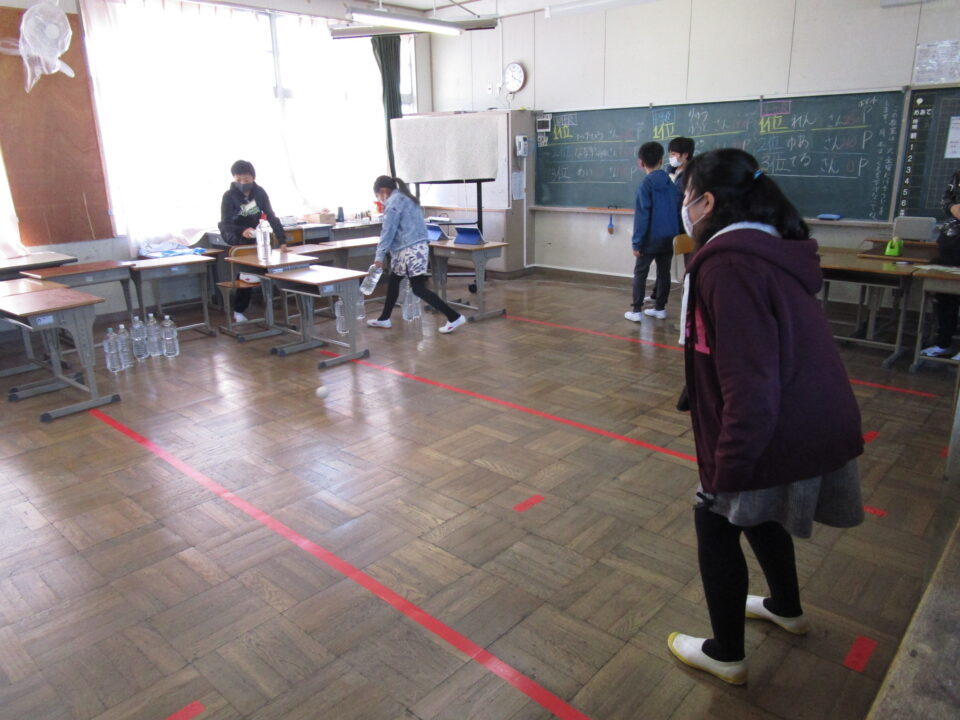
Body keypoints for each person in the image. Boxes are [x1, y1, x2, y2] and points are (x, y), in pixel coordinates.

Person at [668, 148, 865, 686]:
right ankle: (786, 607)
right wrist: (696, 388)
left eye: (687, 195)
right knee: (756, 512)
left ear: (708, 202)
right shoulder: (764, 248)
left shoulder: (728, 264)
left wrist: (728, 469)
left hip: (781, 421)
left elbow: (752, 384)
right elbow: (743, 345)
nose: (684, 206)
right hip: (808, 411)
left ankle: (726, 653)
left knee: (716, 517)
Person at [366, 176, 466, 334]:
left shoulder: (393, 204)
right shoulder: (407, 198)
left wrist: (379, 257)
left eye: (378, 195)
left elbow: (387, 232)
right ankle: (384, 318)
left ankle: (454, 317)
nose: (379, 199)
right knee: (394, 281)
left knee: (418, 288)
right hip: (414, 247)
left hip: (409, 250)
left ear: (383, 191)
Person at [218, 159, 287, 324]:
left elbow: (271, 215)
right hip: (235, 234)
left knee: (260, 268)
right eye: (238, 179)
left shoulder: (260, 193)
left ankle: (269, 307)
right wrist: (242, 231)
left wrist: (282, 240)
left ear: (253, 178)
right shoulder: (229, 196)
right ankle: (239, 310)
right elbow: (225, 223)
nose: (242, 183)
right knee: (245, 270)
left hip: (255, 233)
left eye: (246, 179)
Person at [624, 142, 681, 323]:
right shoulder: (671, 184)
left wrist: (637, 243)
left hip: (649, 239)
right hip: (669, 237)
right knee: (664, 273)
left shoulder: (645, 185)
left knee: (641, 273)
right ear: (661, 160)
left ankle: (636, 310)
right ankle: (660, 308)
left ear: (641, 163)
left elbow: (642, 217)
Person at [647, 136, 696, 306]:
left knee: (690, 263)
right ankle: (657, 295)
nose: (671, 157)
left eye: (674, 154)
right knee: (663, 262)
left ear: (685, 155)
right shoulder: (668, 172)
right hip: (667, 223)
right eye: (670, 154)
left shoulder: (692, 175)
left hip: (685, 225)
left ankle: (691, 297)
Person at [919, 168, 960, 358]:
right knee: (946, 295)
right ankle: (943, 343)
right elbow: (946, 200)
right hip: (951, 242)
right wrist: (952, 208)